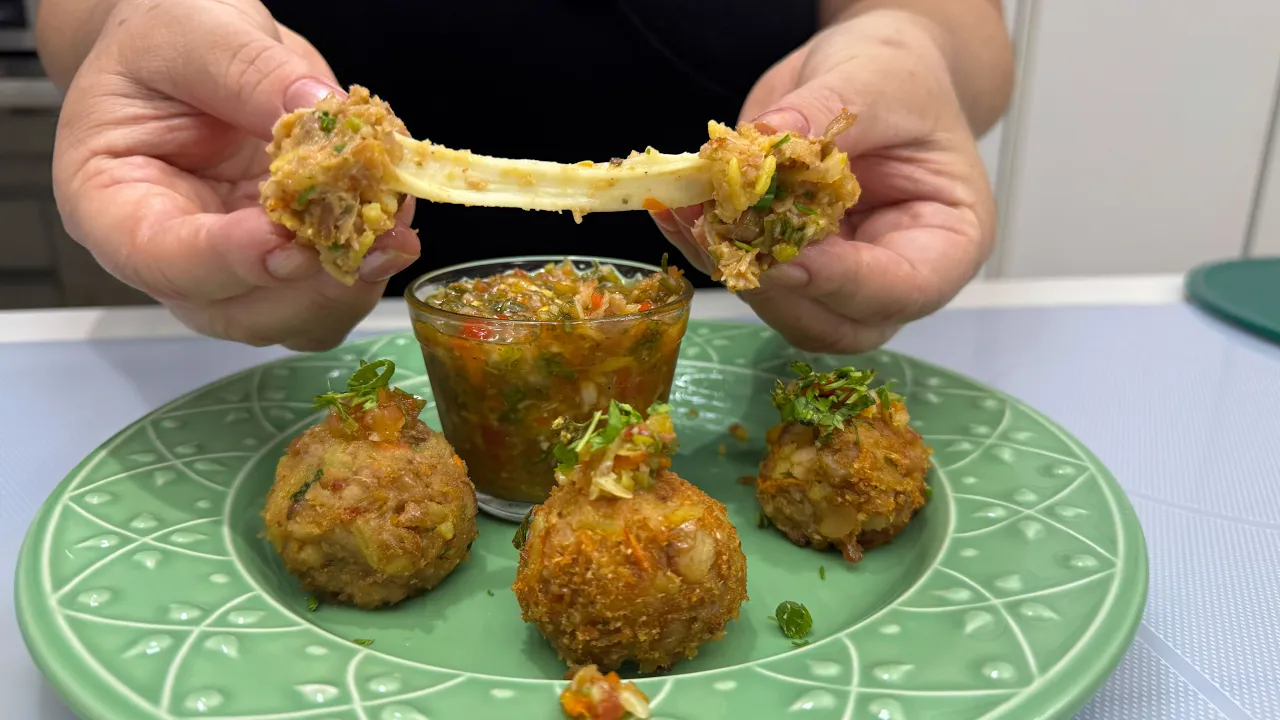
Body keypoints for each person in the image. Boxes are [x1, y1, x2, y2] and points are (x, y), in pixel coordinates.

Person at [36, 0, 1012, 353]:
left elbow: (958, 27)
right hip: (327, 277)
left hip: (723, 330)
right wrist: (129, 23)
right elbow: (79, 13)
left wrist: (913, 44)